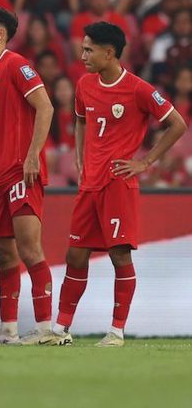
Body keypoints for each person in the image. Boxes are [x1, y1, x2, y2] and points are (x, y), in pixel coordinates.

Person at [41, 22, 187, 347]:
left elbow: (177, 124)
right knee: (75, 255)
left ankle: (116, 331)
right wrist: (80, 159)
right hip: (89, 184)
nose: (83, 56)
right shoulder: (83, 85)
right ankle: (61, 328)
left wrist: (145, 162)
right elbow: (80, 120)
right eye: (83, 48)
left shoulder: (138, 89)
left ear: (109, 53)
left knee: (119, 256)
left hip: (118, 184)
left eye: (89, 49)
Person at [0, 7, 55, 345]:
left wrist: (33, 154)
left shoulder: (16, 64)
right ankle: (8, 329)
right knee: (5, 254)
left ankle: (46, 329)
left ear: (0, 34)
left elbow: (45, 107)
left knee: (29, 249)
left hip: (22, 172)